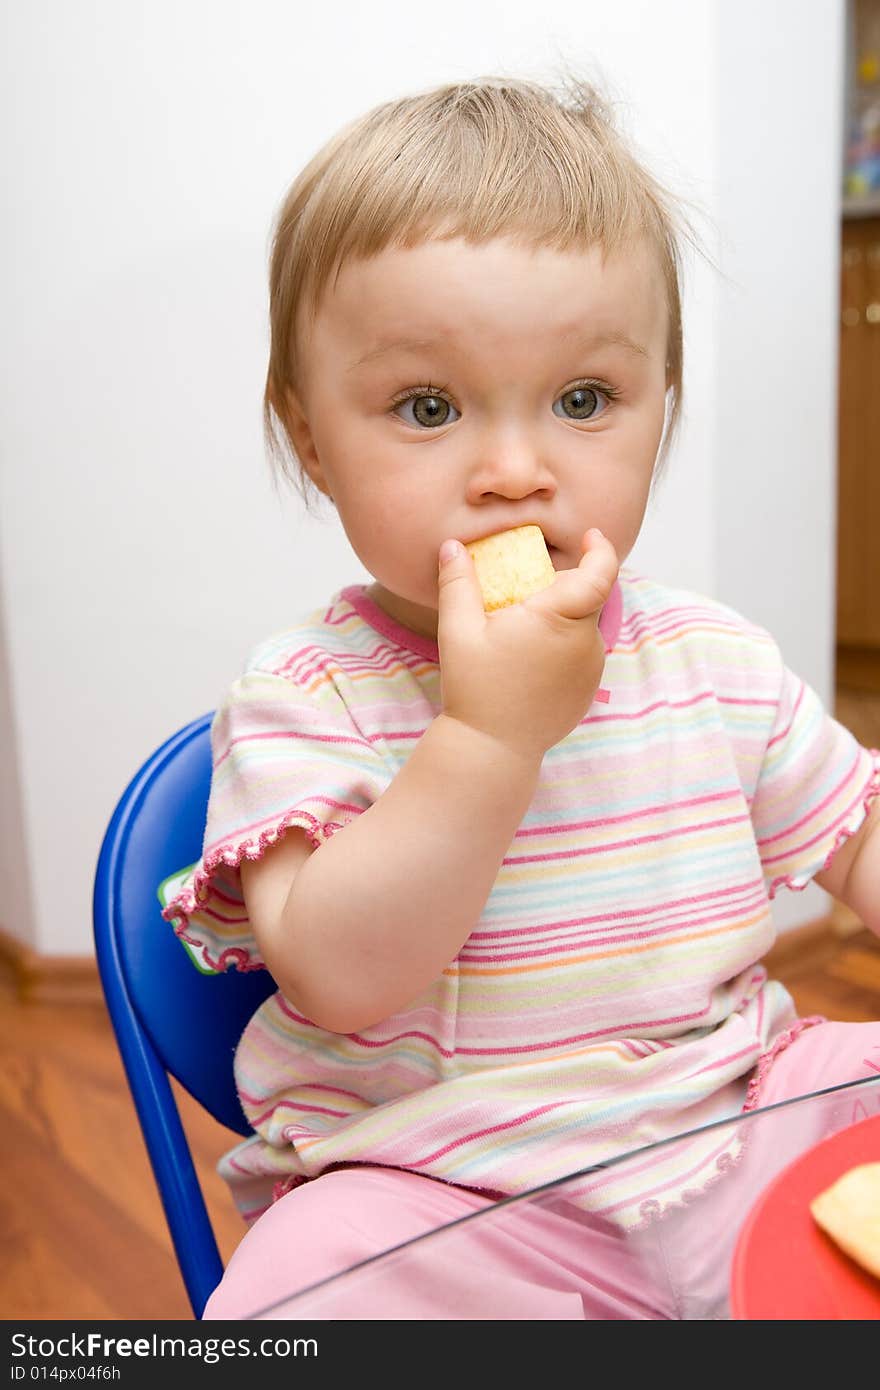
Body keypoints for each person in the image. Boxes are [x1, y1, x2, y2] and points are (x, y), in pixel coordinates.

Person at [163, 76, 880, 1319]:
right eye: (428, 408)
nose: (514, 471)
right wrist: (489, 734)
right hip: (439, 1185)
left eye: (584, 400)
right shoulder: (304, 696)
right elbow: (341, 973)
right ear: (313, 436)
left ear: (661, 406)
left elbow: (861, 838)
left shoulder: (710, 660)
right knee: (292, 1290)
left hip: (738, 1117)